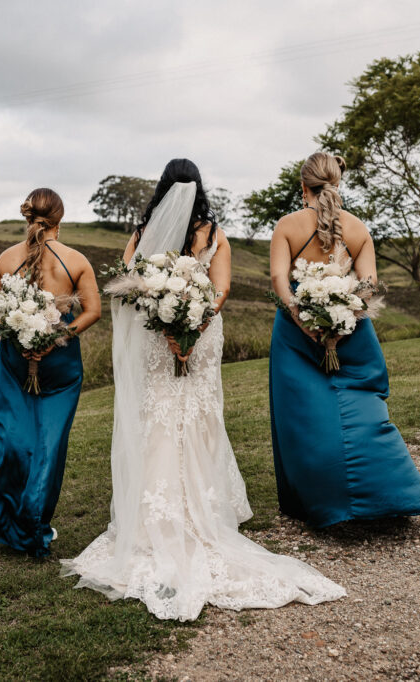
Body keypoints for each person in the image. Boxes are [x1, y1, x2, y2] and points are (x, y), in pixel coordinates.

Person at [61, 159, 345, 621]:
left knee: (158, 414)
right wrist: (193, 325)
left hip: (158, 336)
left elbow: (129, 290)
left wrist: (171, 327)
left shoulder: (142, 233)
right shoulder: (213, 235)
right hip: (199, 332)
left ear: (163, 188)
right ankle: (199, 509)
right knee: (196, 413)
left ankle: (153, 518)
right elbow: (221, 289)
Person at [269, 152, 420, 527]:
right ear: (337, 183)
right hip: (353, 333)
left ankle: (321, 502)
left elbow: (280, 280)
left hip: (297, 337)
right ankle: (386, 494)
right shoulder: (359, 229)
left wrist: (305, 319)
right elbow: (369, 285)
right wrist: (343, 318)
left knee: (305, 416)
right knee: (362, 411)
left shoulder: (287, 226)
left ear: (303, 187)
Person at [0, 188, 101, 558]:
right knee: (47, 447)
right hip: (54, 362)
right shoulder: (76, 259)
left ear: (27, 218)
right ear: (59, 223)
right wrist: (56, 335)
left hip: (28, 365)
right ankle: (30, 524)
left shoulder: (6, 257)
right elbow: (92, 311)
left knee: (11, 443)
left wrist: (10, 327)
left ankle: (22, 523)